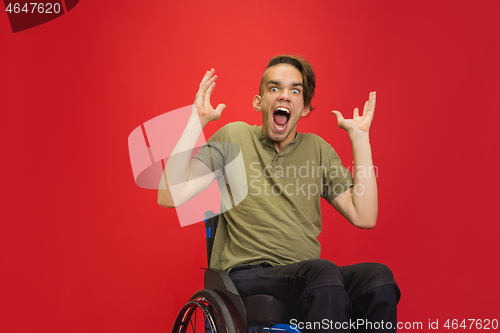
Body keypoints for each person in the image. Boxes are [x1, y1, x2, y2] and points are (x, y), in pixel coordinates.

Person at [158, 55, 400, 332]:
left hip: (306, 275)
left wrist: (360, 138)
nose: (284, 96)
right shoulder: (234, 137)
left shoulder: (318, 150)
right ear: (259, 102)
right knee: (322, 272)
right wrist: (196, 121)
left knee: (378, 278)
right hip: (248, 273)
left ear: (305, 107)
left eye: (295, 91)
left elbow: (365, 215)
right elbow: (169, 196)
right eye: (275, 88)